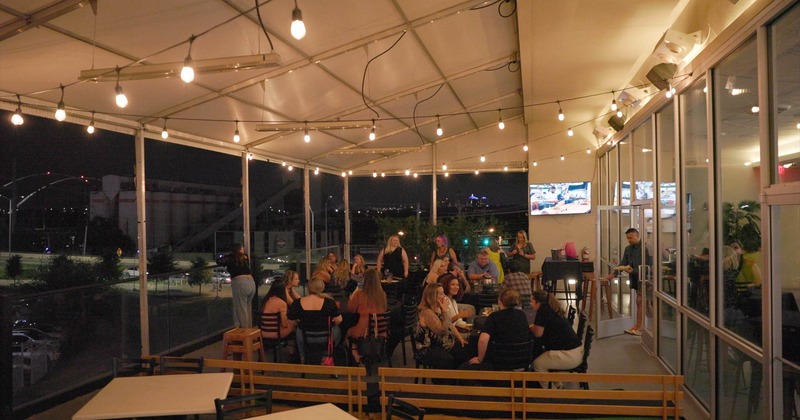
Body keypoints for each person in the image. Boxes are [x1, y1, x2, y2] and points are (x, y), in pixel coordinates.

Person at [466, 288, 531, 369]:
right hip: (520, 361)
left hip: (499, 362)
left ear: (500, 301)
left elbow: (483, 340)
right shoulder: (522, 315)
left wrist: (479, 359)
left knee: (465, 366)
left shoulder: (494, 317)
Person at [529, 290, 583, 388]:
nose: (530, 304)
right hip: (576, 351)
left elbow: (537, 333)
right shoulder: (551, 308)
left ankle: (547, 394)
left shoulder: (543, 311)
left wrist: (531, 327)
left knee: (537, 364)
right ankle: (558, 386)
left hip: (569, 356)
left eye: (532, 301)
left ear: (538, 302)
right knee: (543, 355)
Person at [606, 228, 652, 336]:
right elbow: (623, 262)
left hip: (646, 280)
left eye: (631, 238)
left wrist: (634, 271)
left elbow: (650, 267)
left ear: (637, 236)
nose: (629, 240)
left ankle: (639, 327)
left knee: (641, 303)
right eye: (628, 238)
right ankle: (645, 327)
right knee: (644, 304)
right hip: (636, 279)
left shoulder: (646, 248)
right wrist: (614, 274)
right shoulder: (628, 249)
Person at [287, 277, 343, 364]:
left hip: (305, 338)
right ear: (322, 288)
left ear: (308, 288)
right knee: (337, 330)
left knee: (298, 330)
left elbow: (291, 320)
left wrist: (300, 323)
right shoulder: (329, 302)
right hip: (325, 338)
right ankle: (327, 355)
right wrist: (331, 323)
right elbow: (339, 320)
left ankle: (303, 357)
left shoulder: (298, 302)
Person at [414, 283, 469, 369]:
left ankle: (458, 379)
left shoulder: (437, 307)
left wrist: (460, 338)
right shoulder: (426, 312)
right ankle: (442, 380)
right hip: (429, 348)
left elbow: (449, 324)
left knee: (464, 351)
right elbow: (442, 331)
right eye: (441, 294)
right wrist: (445, 311)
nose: (444, 296)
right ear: (433, 296)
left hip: (443, 344)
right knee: (447, 359)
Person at [346, 268, 388, 364]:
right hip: (380, 330)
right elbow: (385, 309)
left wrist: (352, 296)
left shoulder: (360, 294)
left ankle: (357, 356)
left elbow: (350, 309)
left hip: (363, 330)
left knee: (347, 333)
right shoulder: (382, 294)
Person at [216, 243, 255, 327]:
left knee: (241, 310)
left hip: (240, 282)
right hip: (251, 282)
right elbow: (252, 257)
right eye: (242, 248)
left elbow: (219, 261)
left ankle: (245, 334)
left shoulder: (232, 258)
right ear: (239, 249)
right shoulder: (245, 257)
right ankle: (241, 329)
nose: (244, 249)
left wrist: (231, 255)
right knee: (244, 308)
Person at [260, 279, 297, 358]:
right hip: (276, 333)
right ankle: (293, 354)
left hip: (263, 333)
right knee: (295, 326)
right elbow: (284, 324)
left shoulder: (265, 301)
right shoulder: (281, 303)